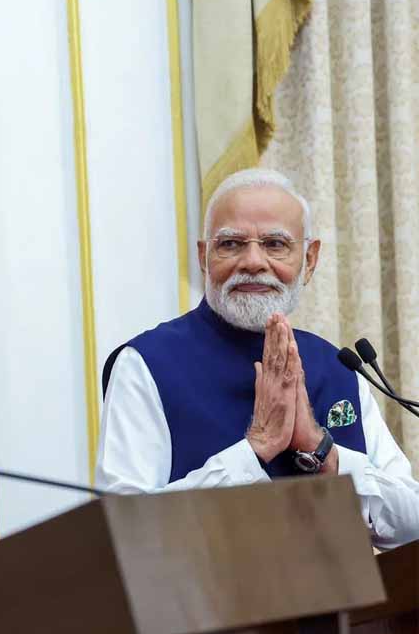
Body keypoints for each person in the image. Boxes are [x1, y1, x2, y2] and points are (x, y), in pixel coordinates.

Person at [96, 168, 419, 549]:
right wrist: (255, 449)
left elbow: (411, 524)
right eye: (231, 244)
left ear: (309, 259)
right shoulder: (147, 364)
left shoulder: (338, 367)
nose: (252, 261)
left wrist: (323, 451)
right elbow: (125, 531)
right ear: (204, 257)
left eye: (275, 244)